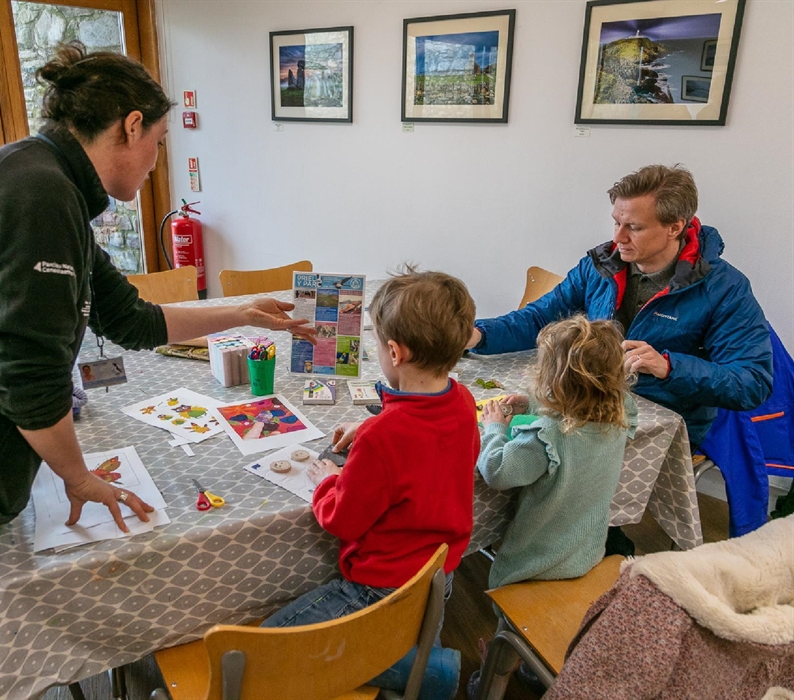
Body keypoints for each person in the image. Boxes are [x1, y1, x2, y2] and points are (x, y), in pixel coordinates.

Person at [0, 41, 315, 695]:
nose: (157, 158)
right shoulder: (38, 196)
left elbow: (131, 320)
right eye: (158, 141)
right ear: (130, 125)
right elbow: (26, 378)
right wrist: (77, 477)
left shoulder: (45, 181)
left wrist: (245, 310)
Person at [466, 164, 773, 554]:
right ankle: (534, 535)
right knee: (489, 428)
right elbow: (540, 316)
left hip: (655, 418)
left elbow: (753, 382)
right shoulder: (602, 264)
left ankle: (572, 543)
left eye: (634, 228)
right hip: (585, 404)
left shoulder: (724, 288)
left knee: (527, 452)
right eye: (615, 223)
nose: (618, 238)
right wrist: (478, 334)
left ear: (676, 227)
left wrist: (668, 366)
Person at [261, 269, 481, 700]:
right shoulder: (462, 400)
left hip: (378, 588)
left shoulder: (385, 438)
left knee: (267, 648)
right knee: (408, 630)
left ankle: (427, 670)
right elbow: (428, 443)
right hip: (439, 576)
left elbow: (343, 520)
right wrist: (377, 423)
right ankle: (417, 653)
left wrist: (329, 481)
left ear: (395, 352)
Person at [478, 316, 638, 589]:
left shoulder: (545, 438)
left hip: (533, 567)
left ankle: (509, 630)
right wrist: (532, 406)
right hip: (587, 553)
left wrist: (494, 428)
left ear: (554, 381)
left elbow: (496, 470)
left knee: (514, 614)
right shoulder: (621, 414)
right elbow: (583, 403)